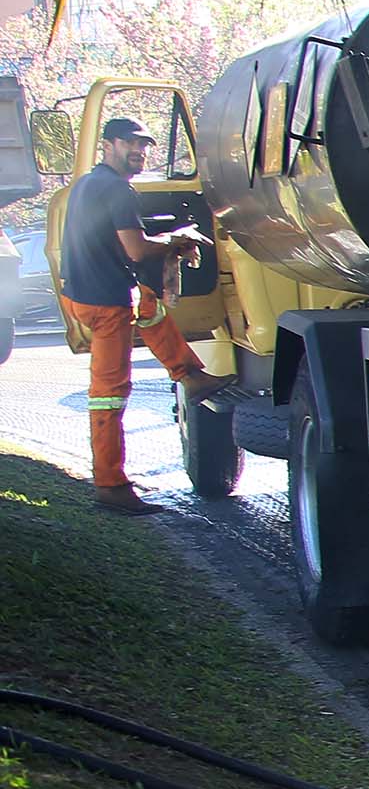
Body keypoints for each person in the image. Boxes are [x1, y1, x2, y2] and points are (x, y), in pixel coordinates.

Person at [60, 116, 227, 515]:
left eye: (144, 145)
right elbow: (135, 250)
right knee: (108, 395)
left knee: (148, 307)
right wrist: (176, 241)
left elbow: (113, 244)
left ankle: (191, 375)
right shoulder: (118, 190)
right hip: (105, 303)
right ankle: (111, 485)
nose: (139, 152)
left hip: (84, 292)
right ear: (109, 145)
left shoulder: (86, 184)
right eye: (130, 144)